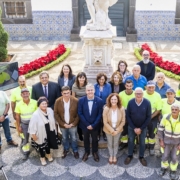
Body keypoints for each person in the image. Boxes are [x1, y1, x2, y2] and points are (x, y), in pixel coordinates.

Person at [124, 87, 151, 166]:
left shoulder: (147, 102)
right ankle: (130, 155)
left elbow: (148, 117)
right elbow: (128, 116)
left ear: (143, 94)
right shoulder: (130, 102)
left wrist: (141, 128)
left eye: (140, 93)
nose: (138, 95)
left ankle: (141, 156)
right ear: (134, 94)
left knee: (142, 142)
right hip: (132, 126)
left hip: (143, 126)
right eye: (137, 93)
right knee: (131, 140)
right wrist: (134, 128)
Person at [28, 97, 59, 166]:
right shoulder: (36, 114)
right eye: (42, 104)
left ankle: (48, 154)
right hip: (41, 133)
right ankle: (42, 157)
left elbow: (54, 120)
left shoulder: (50, 110)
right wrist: (33, 135)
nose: (44, 105)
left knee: (48, 143)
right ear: (39, 105)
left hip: (50, 131)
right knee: (41, 146)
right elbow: (32, 126)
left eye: (45, 103)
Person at [78, 84, 103, 162]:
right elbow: (80, 113)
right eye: (88, 90)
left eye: (91, 90)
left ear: (94, 91)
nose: (90, 92)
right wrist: (87, 124)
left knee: (95, 139)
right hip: (84, 125)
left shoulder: (99, 101)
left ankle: (95, 152)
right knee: (86, 139)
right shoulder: (81, 100)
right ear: (86, 91)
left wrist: (93, 125)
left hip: (95, 125)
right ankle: (87, 151)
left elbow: (100, 114)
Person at [54, 86, 79, 159]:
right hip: (63, 125)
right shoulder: (58, 101)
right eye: (64, 93)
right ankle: (66, 149)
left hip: (73, 124)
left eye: (68, 93)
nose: (66, 95)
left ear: (70, 92)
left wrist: (73, 123)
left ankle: (75, 150)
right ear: (61, 93)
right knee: (64, 138)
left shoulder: (75, 100)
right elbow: (56, 113)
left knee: (74, 138)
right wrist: (63, 124)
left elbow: (79, 114)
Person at [158, 104, 180, 180]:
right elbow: (160, 129)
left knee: (174, 157)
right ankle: (164, 167)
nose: (174, 111)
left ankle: (173, 170)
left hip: (176, 143)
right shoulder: (165, 117)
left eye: (176, 109)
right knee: (165, 155)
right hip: (166, 141)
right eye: (172, 109)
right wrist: (161, 140)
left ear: (179, 111)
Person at [15, 88, 37, 159]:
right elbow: (17, 117)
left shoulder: (35, 102)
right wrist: (19, 126)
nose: (25, 95)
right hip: (24, 125)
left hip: (34, 124)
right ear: (21, 95)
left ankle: (39, 149)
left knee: (37, 137)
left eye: (26, 93)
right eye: (23, 94)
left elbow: (38, 114)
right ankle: (25, 152)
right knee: (25, 139)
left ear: (29, 94)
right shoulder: (18, 104)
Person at [103, 93, 125, 164]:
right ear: (109, 100)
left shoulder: (121, 108)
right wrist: (112, 130)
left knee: (115, 143)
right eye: (112, 99)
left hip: (118, 129)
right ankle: (110, 155)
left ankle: (114, 155)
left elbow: (123, 121)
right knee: (110, 143)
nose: (113, 101)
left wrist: (117, 130)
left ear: (118, 100)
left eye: (115, 99)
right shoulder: (106, 108)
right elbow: (105, 122)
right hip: (108, 129)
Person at [143, 81, 162, 155]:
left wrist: (151, 116)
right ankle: (144, 146)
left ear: (155, 87)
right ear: (146, 87)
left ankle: (151, 148)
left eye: (152, 87)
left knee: (152, 134)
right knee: (143, 133)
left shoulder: (158, 95)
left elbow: (158, 109)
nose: (151, 89)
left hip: (153, 117)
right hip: (143, 117)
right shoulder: (142, 94)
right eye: (149, 87)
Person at [94, 73, 111, 141]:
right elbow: (94, 96)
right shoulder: (95, 86)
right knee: (98, 120)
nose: (101, 81)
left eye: (103, 79)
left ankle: (104, 134)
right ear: (98, 79)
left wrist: (106, 105)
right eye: (100, 79)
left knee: (105, 121)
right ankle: (98, 134)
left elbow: (109, 96)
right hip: (96, 105)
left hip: (105, 105)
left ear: (105, 80)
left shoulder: (108, 86)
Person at [119, 80, 135, 150]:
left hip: (133, 115)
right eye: (127, 86)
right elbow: (119, 106)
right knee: (124, 130)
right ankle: (124, 143)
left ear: (133, 86)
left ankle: (132, 145)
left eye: (130, 86)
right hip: (123, 114)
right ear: (125, 86)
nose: (129, 87)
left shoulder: (135, 94)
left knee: (132, 131)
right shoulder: (121, 94)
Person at [72, 72, 88, 141]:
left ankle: (85, 132)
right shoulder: (74, 86)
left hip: (85, 103)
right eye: (80, 78)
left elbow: (88, 95)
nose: (81, 79)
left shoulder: (87, 85)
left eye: (83, 78)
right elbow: (73, 97)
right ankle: (80, 134)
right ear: (77, 78)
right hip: (77, 103)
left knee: (85, 119)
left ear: (85, 78)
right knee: (79, 120)